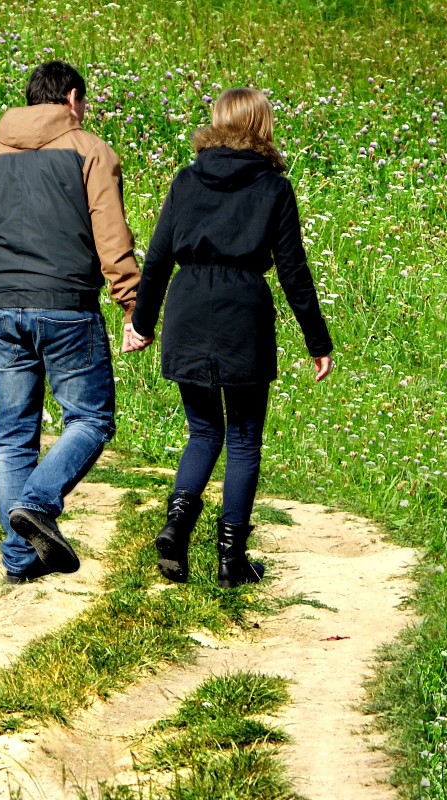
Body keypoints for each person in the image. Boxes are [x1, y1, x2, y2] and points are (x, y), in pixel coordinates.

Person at [125, 88, 334, 589]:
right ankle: (231, 561)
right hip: (244, 313)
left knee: (203, 431)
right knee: (242, 438)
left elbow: (156, 259)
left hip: (188, 307)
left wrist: (142, 322)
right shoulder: (274, 188)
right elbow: (293, 272)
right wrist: (317, 342)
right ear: (262, 125)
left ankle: (177, 524)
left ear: (218, 123)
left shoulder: (186, 180)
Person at [0, 61, 141, 584]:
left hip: (2, 308)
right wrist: (132, 305)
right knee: (91, 419)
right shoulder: (90, 151)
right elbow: (112, 237)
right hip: (67, 305)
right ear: (72, 98)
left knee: (13, 437)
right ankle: (38, 502)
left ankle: (19, 565)